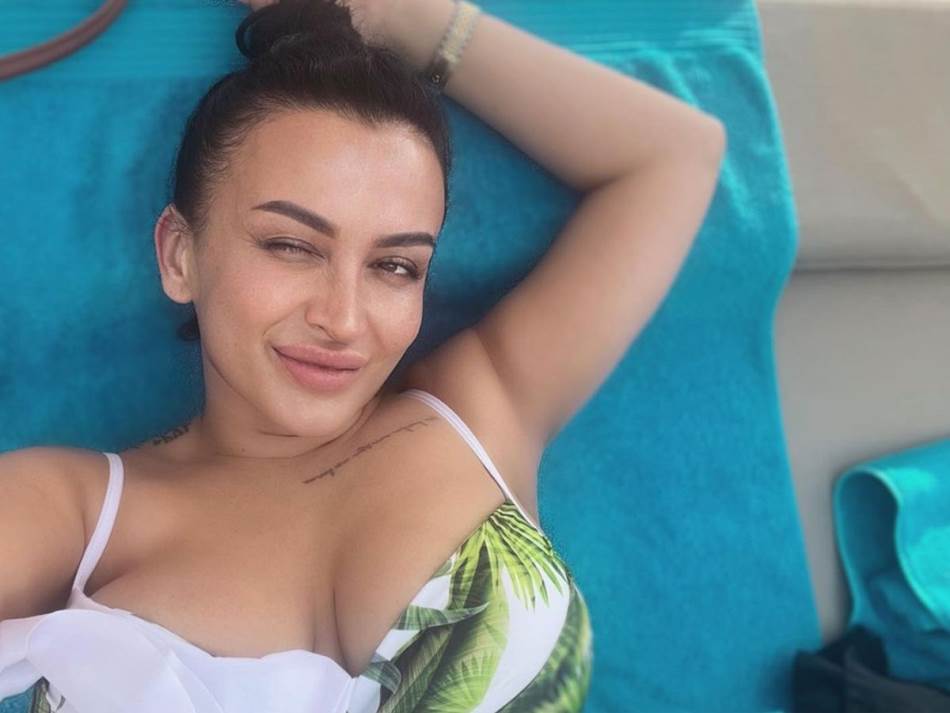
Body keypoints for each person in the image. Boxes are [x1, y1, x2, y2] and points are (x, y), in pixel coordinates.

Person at [0, 0, 726, 710]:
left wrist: (387, 13)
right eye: (291, 246)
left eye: (395, 266)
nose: (344, 320)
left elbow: (675, 155)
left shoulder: (483, 407)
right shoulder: (77, 514)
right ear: (179, 255)